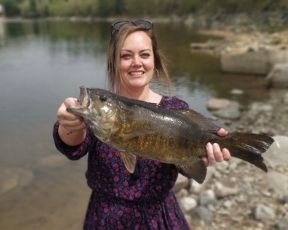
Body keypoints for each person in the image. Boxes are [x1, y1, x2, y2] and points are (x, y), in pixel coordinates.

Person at [53, 19, 231, 230]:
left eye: (144, 54)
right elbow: (73, 147)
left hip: (159, 217)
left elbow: (184, 164)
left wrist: (204, 156)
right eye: (126, 56)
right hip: (106, 218)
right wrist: (69, 124)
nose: (136, 62)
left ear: (154, 60)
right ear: (114, 62)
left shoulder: (174, 108)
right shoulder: (101, 111)